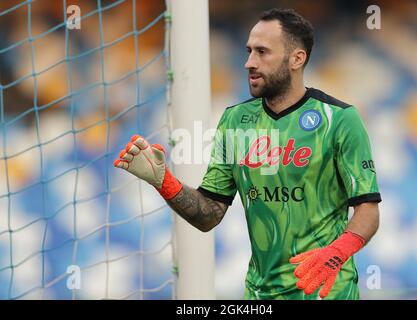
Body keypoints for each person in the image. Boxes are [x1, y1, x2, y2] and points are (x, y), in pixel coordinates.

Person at [114, 8, 381, 300]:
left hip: (326, 291)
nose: (249, 62)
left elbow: (368, 211)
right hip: (259, 295)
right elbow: (209, 214)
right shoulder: (235, 120)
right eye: (249, 51)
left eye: (262, 52)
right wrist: (163, 181)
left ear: (296, 59)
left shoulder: (340, 119)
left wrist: (335, 254)